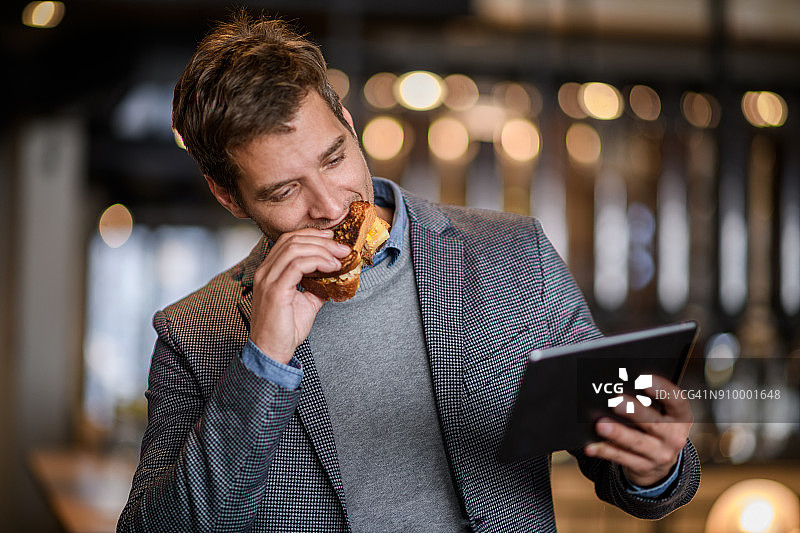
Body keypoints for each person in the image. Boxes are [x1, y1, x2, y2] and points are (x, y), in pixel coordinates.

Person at [118, 10, 700, 533]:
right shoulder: (194, 333)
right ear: (228, 196)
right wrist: (261, 364)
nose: (330, 204)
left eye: (334, 157)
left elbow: (618, 455)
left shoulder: (512, 255)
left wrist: (655, 465)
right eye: (284, 190)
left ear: (347, 121)